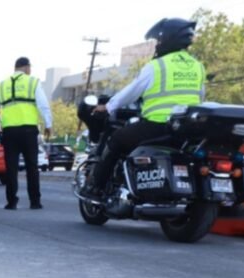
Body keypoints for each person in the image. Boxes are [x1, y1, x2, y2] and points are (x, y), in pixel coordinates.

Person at [88, 18, 205, 197]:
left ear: (166, 39)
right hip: (187, 130)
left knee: (117, 140)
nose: (157, 45)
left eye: (158, 41)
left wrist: (108, 107)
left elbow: (132, 92)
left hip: (158, 126)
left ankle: (96, 187)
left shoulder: (157, 66)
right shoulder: (198, 67)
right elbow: (200, 96)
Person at [0, 57, 53, 210]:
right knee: (32, 166)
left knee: (11, 168)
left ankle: (11, 202)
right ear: (26, 67)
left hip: (9, 132)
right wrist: (48, 124)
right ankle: (35, 201)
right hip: (29, 131)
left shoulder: (1, 85)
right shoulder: (33, 82)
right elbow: (43, 105)